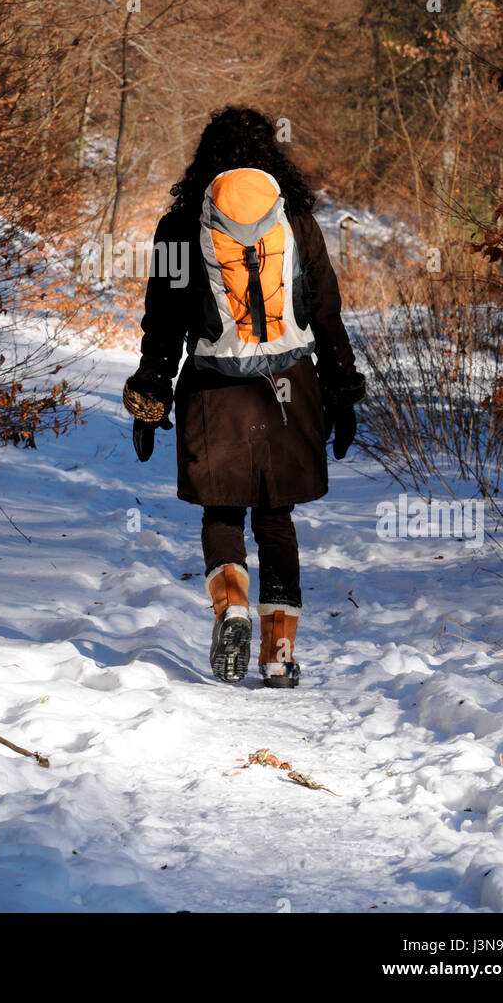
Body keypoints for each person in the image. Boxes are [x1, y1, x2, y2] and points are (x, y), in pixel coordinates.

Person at [122, 106, 365, 687]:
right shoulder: (298, 222)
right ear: (273, 158)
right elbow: (326, 313)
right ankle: (278, 652)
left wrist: (151, 393)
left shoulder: (181, 226)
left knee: (222, 512)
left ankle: (229, 605)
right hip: (290, 386)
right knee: (276, 517)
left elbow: (163, 323)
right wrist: (341, 390)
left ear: (205, 159)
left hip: (212, 386)